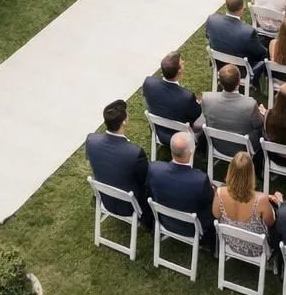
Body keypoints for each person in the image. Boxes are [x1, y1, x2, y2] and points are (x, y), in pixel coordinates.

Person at [86, 100, 151, 228]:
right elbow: (145, 180)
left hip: (104, 199)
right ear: (124, 121)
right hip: (129, 206)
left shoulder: (91, 140)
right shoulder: (134, 153)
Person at [146, 132, 215, 247]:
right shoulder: (200, 180)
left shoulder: (154, 169)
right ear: (191, 151)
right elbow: (209, 201)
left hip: (164, 221)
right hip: (192, 228)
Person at [213, 152, 280, 257]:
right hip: (258, 249)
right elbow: (271, 222)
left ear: (230, 171)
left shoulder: (220, 192)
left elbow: (216, 214)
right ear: (251, 174)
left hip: (231, 243)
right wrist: (278, 204)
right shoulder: (261, 200)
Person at [202, 65, 265, 162]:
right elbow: (259, 124)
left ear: (220, 82)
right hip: (242, 149)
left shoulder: (207, 98)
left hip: (218, 144)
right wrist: (264, 114)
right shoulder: (250, 104)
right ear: (239, 81)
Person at [205, 0, 268, 80]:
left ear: (226, 5)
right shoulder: (248, 32)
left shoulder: (212, 20)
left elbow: (208, 36)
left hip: (219, 65)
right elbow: (261, 53)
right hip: (240, 71)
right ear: (242, 7)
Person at [143, 51, 202, 144]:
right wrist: (197, 103)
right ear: (179, 71)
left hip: (159, 133)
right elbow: (196, 115)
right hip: (181, 139)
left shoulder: (148, 83)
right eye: (181, 62)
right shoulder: (187, 97)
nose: (183, 62)